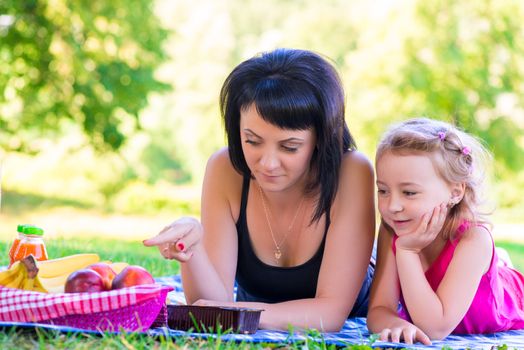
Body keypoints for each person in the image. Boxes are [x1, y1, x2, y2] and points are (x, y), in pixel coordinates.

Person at [143, 48, 376, 331]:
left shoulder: (351, 171)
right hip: (251, 312)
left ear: (321, 138)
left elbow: (330, 313)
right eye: (252, 141)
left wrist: (238, 313)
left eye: (289, 147)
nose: (267, 163)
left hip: (354, 316)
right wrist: (192, 250)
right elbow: (210, 307)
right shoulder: (225, 167)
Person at [367, 117, 524, 345]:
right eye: (383, 191)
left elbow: (435, 328)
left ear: (455, 192)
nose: (392, 206)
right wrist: (394, 323)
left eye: (409, 193)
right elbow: (379, 310)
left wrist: (407, 252)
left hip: (514, 300)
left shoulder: (473, 239)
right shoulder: (392, 229)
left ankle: (498, 267)